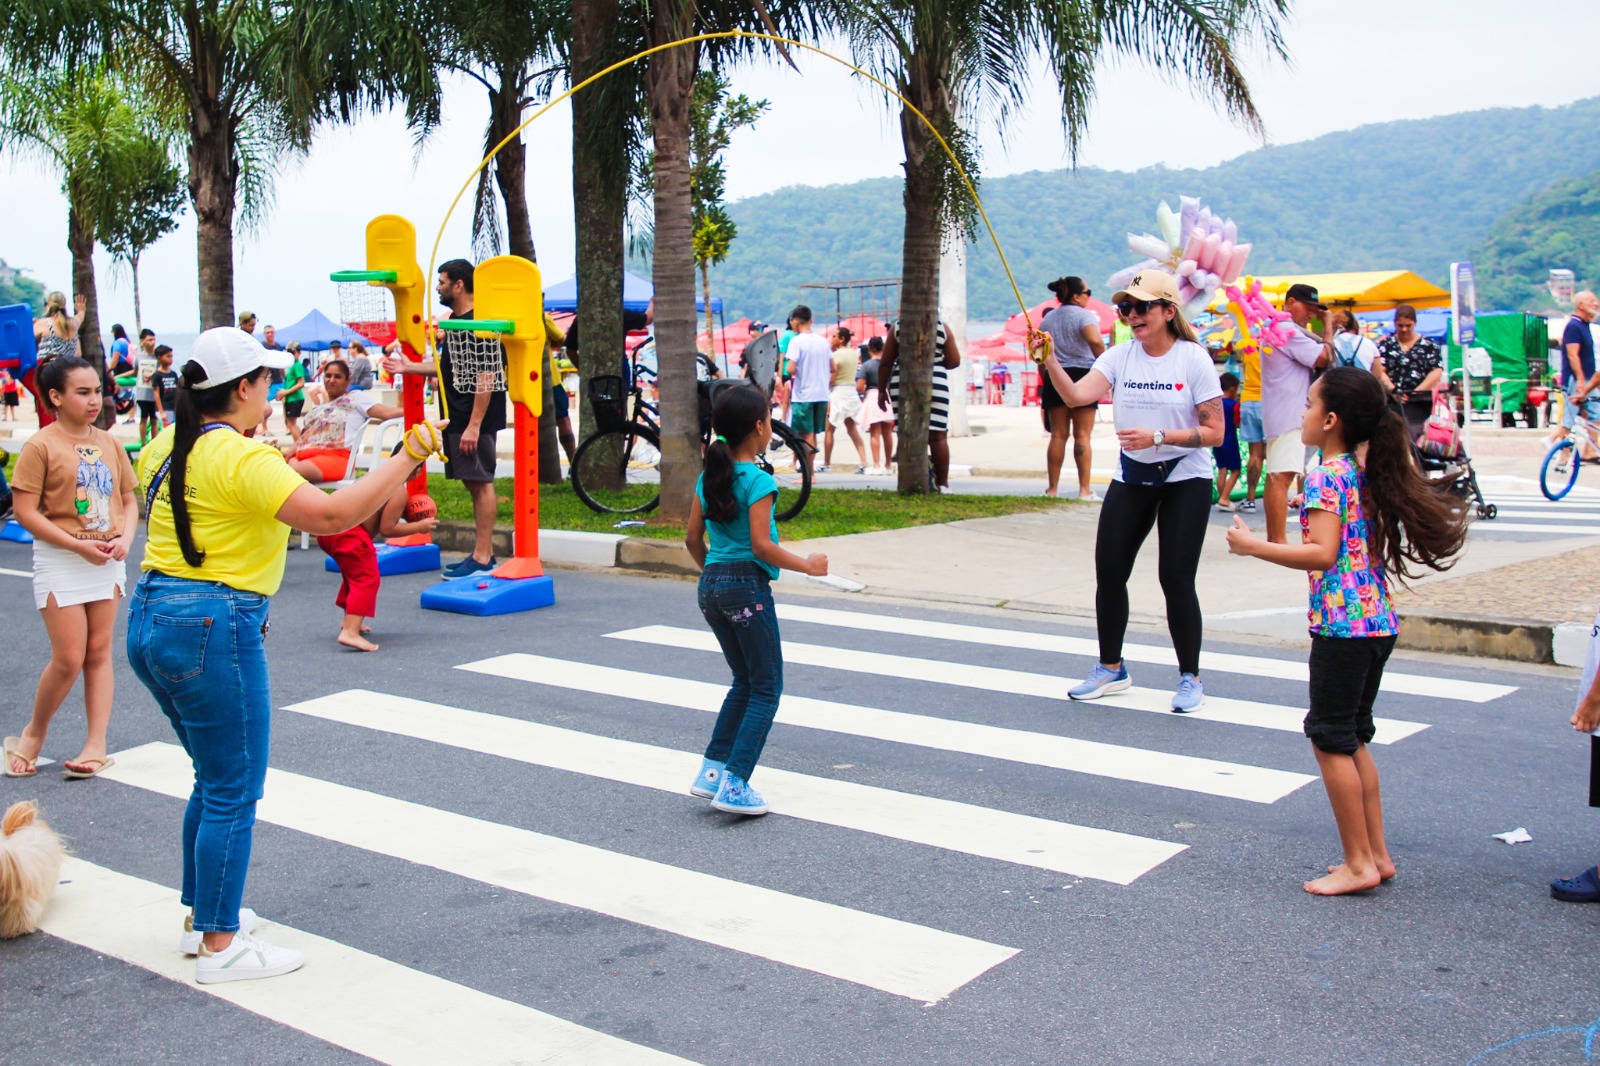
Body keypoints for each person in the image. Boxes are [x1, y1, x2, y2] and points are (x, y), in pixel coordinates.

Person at [127, 326, 448, 983]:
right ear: (241, 388)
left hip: (154, 616)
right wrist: (409, 453)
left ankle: (203, 919)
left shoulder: (162, 446)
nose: (275, 391)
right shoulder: (243, 459)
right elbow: (335, 516)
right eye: (268, 381)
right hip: (214, 622)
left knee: (212, 779)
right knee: (232, 788)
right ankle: (221, 946)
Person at [1226, 367, 1467, 894]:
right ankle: (1375, 856)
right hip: (1376, 621)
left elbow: (1322, 553)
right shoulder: (1360, 470)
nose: (1302, 413)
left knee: (1331, 738)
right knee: (1354, 737)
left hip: (1344, 627)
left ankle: (1358, 863)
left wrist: (1253, 547)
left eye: (1309, 404)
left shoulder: (1325, 474)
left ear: (1331, 419)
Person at [1038, 269, 1224, 713]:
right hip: (1132, 476)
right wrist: (1047, 359)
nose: (1132, 315)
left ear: (1168, 311)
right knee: (1110, 572)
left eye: (1142, 307)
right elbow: (1079, 396)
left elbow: (1214, 431)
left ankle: (1190, 677)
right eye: (1126, 308)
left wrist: (1160, 436)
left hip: (1185, 478)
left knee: (1175, 578)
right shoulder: (1120, 357)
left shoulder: (1192, 359)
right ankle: (1111, 668)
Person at [684, 384, 828, 816]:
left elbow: (693, 539)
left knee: (743, 682)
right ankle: (735, 783)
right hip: (746, 587)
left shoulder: (708, 476)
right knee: (766, 688)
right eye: (768, 418)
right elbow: (763, 547)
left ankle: (711, 771)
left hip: (710, 585)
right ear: (759, 427)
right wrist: (808, 565)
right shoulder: (759, 481)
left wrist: (717, 573)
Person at [3, 356, 138, 781]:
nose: (94, 399)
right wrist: (77, 547)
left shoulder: (111, 443)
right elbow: (25, 513)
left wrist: (126, 540)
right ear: (55, 397)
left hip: (106, 561)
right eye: (82, 392)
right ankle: (33, 734)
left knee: (98, 655)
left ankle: (96, 744)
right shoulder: (40, 445)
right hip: (62, 560)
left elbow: (129, 501)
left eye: (97, 390)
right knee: (68, 657)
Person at [384, 259, 505, 577]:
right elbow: (448, 369)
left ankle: (482, 557)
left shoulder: (479, 321)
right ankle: (483, 554)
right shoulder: (455, 320)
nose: (438, 287)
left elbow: (487, 375)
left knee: (481, 483)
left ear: (459, 285)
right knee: (474, 483)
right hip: (458, 416)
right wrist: (408, 368)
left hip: (472, 419)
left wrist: (475, 426)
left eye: (442, 281)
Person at [317, 473, 440, 653]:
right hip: (350, 533)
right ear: (416, 469)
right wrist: (419, 527)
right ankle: (350, 632)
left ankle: (349, 621)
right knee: (366, 578)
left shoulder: (374, 478)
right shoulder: (397, 489)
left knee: (353, 573)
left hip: (328, 530)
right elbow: (387, 528)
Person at [1262, 283, 1333, 544]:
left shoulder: (1274, 327)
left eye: (1316, 310)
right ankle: (1278, 540)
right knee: (1283, 477)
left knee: (1276, 475)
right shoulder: (1287, 330)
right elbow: (1326, 357)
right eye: (1309, 308)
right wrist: (1328, 327)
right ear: (1290, 303)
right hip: (1292, 413)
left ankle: (1274, 538)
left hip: (1278, 410)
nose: (1311, 314)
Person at [1039, 276, 1108, 500]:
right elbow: (1095, 341)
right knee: (1082, 435)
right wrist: (1107, 364)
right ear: (1077, 296)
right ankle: (1084, 490)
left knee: (1058, 435)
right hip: (1082, 374)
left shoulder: (1048, 319)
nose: (1090, 296)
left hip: (1054, 374)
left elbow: (1041, 353)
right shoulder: (1084, 315)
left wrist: (1046, 375)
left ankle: (1052, 489)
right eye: (1088, 292)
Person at [282, 359, 403, 483]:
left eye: (337, 377)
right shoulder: (318, 409)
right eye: (328, 376)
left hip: (335, 457)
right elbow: (305, 436)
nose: (331, 380)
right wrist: (292, 451)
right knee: (275, 468)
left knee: (287, 473)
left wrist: (415, 410)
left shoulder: (355, 398)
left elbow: (387, 413)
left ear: (347, 381)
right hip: (303, 455)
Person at [880, 319, 962, 489]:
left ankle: (911, 482)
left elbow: (886, 362)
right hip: (936, 381)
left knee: (906, 433)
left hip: (902, 381)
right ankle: (943, 484)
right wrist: (937, 364)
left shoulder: (898, 327)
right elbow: (954, 361)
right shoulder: (942, 328)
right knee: (938, 436)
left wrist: (881, 390)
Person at [1376, 304, 1444, 443]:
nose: (1404, 329)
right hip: (1392, 401)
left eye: (1408, 325)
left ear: (1415, 323)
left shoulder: (1428, 344)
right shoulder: (1386, 345)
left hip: (1421, 403)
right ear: (1395, 324)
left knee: (1417, 440)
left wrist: (1417, 392)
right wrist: (1393, 390)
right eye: (1400, 325)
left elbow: (1436, 370)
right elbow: (1379, 370)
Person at [1553, 292, 1600, 459]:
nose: (1596, 303)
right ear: (1580, 305)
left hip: (1588, 378)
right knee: (1569, 418)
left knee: (1596, 414)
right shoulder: (1573, 326)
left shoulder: (1585, 325)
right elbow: (1573, 355)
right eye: (1591, 301)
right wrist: (1580, 379)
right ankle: (1562, 452)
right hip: (1575, 379)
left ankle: (1590, 450)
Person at [784, 305, 832, 462]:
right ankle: (811, 471)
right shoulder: (823, 341)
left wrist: (795, 373)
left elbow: (790, 368)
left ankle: (810, 474)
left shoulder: (796, 341)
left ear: (796, 321)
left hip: (804, 395)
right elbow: (834, 367)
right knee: (813, 434)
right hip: (822, 394)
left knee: (806, 434)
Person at [823, 325, 868, 473]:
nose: (832, 339)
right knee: (852, 429)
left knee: (829, 430)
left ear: (841, 339)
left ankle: (827, 463)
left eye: (834, 336)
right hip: (851, 392)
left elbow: (832, 376)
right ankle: (864, 461)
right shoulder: (854, 354)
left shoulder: (836, 356)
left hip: (837, 392)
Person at [1235, 342, 1265, 513]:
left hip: (1248, 399)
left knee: (1255, 453)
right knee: (1275, 452)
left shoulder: (1249, 346)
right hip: (1268, 400)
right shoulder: (1273, 345)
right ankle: (1278, 497)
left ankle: (1250, 499)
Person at [855, 337, 892, 474]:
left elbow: (859, 387)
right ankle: (888, 465)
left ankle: (877, 465)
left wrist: (864, 390)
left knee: (874, 433)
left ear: (869, 349)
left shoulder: (867, 365)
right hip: (887, 395)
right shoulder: (889, 364)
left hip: (872, 396)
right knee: (887, 433)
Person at [1331, 311, 1391, 392]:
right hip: (1363, 392)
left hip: (1336, 393)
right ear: (1355, 325)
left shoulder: (1330, 344)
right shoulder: (1369, 343)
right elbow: (1377, 375)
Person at [1214, 372, 1242, 512]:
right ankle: (1224, 497)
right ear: (1232, 389)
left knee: (1222, 469)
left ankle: (1221, 497)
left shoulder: (1215, 403)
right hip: (1230, 439)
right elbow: (1237, 423)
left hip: (1217, 439)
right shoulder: (1234, 405)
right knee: (1236, 470)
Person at [134, 329, 162, 444]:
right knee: (144, 418)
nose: (152, 342)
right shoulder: (139, 357)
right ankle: (143, 443)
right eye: (149, 340)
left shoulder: (158, 357)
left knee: (154, 419)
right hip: (142, 392)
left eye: (154, 339)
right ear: (142, 341)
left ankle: (154, 442)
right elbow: (135, 371)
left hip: (154, 392)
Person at [281, 342, 308, 441]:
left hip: (294, 397)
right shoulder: (291, 366)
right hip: (291, 398)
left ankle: (298, 445)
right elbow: (290, 381)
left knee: (291, 424)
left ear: (298, 353)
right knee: (291, 424)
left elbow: (301, 383)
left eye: (293, 352)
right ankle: (300, 443)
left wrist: (285, 392)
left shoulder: (297, 365)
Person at [150, 345, 178, 427]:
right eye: (168, 356)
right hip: (164, 407)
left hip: (174, 407)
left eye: (171, 356)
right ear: (159, 357)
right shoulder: (157, 375)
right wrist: (161, 412)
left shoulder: (173, 374)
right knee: (166, 429)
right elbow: (156, 394)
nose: (170, 359)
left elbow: (177, 390)